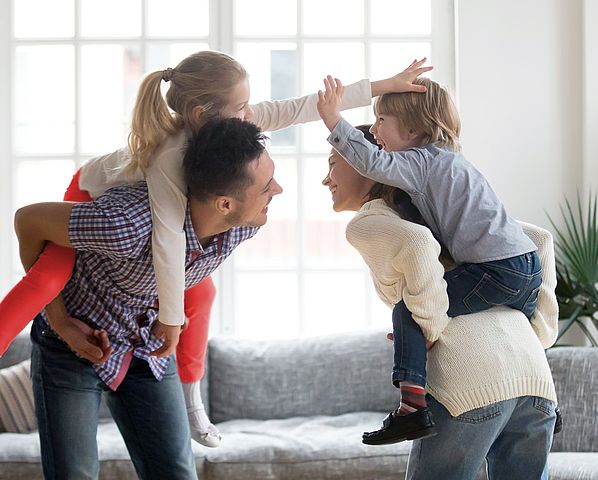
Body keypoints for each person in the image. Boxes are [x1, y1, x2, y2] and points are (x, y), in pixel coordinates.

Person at [0, 51, 432, 447]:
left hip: (136, 304)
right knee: (47, 280)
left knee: (202, 291)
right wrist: (171, 320)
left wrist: (383, 85)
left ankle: (191, 399)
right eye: (241, 107)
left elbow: (298, 107)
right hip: (85, 195)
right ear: (201, 114)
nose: (250, 115)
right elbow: (166, 239)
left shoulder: (229, 134)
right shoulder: (169, 158)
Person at [15, 117, 281, 479]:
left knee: (175, 472)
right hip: (70, 344)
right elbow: (27, 221)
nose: (278, 191)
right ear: (224, 204)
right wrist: (60, 321)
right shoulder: (124, 226)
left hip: (146, 345)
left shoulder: (242, 227)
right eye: (267, 187)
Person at [322, 125, 559, 479]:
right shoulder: (439, 211)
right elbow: (538, 239)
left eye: (333, 164)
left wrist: (428, 323)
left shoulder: (369, 221)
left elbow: (417, 245)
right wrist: (539, 333)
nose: (326, 180)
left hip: (469, 383)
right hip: (535, 379)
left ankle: (410, 407)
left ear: (365, 164)